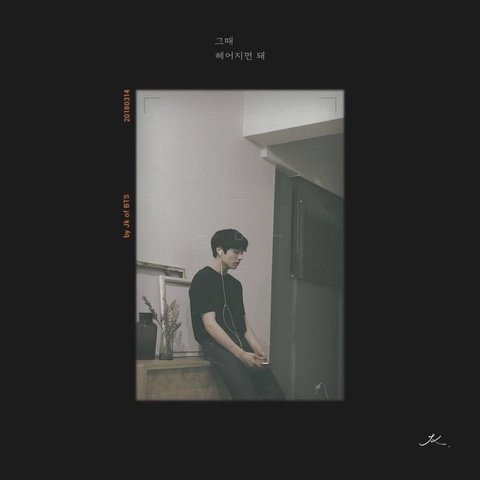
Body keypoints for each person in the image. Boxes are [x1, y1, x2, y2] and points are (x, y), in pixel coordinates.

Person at [189, 229, 285, 400]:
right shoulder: (202, 279)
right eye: (236, 252)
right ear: (220, 250)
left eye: (242, 253)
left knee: (275, 393)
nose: (240, 257)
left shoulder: (235, 285)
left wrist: (257, 347)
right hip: (215, 345)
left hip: (239, 342)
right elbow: (210, 324)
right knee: (246, 394)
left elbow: (243, 322)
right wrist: (240, 354)